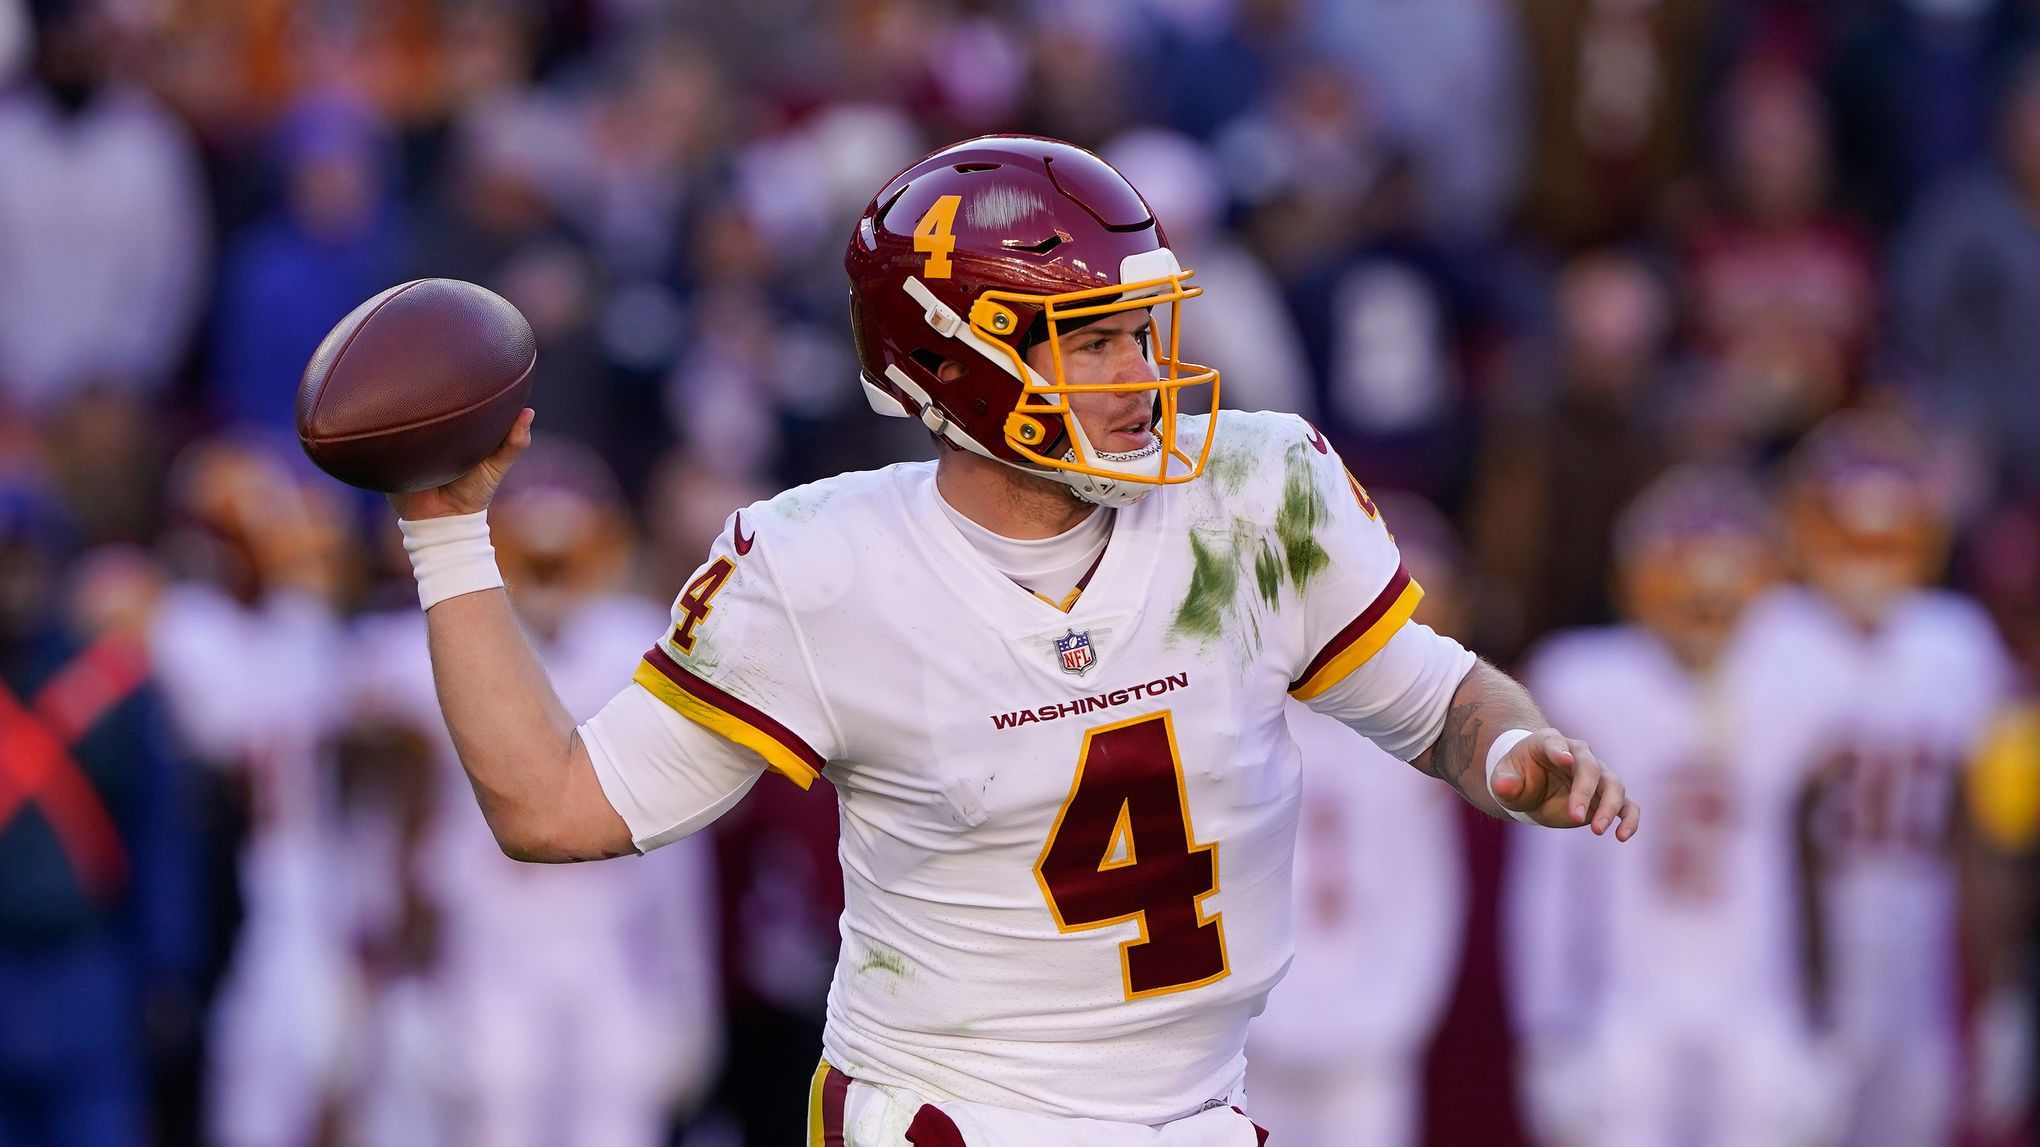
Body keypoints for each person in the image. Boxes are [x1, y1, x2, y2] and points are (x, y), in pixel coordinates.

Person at [383, 135, 1640, 1145]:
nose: (1143, 373)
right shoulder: (825, 568)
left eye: (1145, 329)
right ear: (956, 361)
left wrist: (1511, 745)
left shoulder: (1259, 493)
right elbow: (554, 807)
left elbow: (1432, 697)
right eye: (1094, 337)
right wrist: (448, 533)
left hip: (1200, 1113)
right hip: (953, 1118)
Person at [1505, 466, 1847, 1147]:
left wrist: (1823, 1022)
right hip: (1627, 998)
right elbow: (1549, 881)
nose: (1705, 603)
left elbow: (1824, 868)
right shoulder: (1589, 682)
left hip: (1756, 997)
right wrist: (1549, 1027)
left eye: (1724, 584)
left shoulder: (1800, 677)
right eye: (1686, 582)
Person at [1762, 412, 2016, 1147]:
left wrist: (1998, 997)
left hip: (1916, 963)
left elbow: (1979, 829)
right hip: (1792, 967)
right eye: (1848, 537)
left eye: (1890, 539)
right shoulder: (1773, 636)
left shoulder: (1956, 642)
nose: (1868, 561)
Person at [1245, 493, 1471, 1147]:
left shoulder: (1420, 744)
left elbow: (1429, 900)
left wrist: (1386, 1018)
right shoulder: (1244, 721)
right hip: (1251, 1040)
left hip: (1369, 1038)